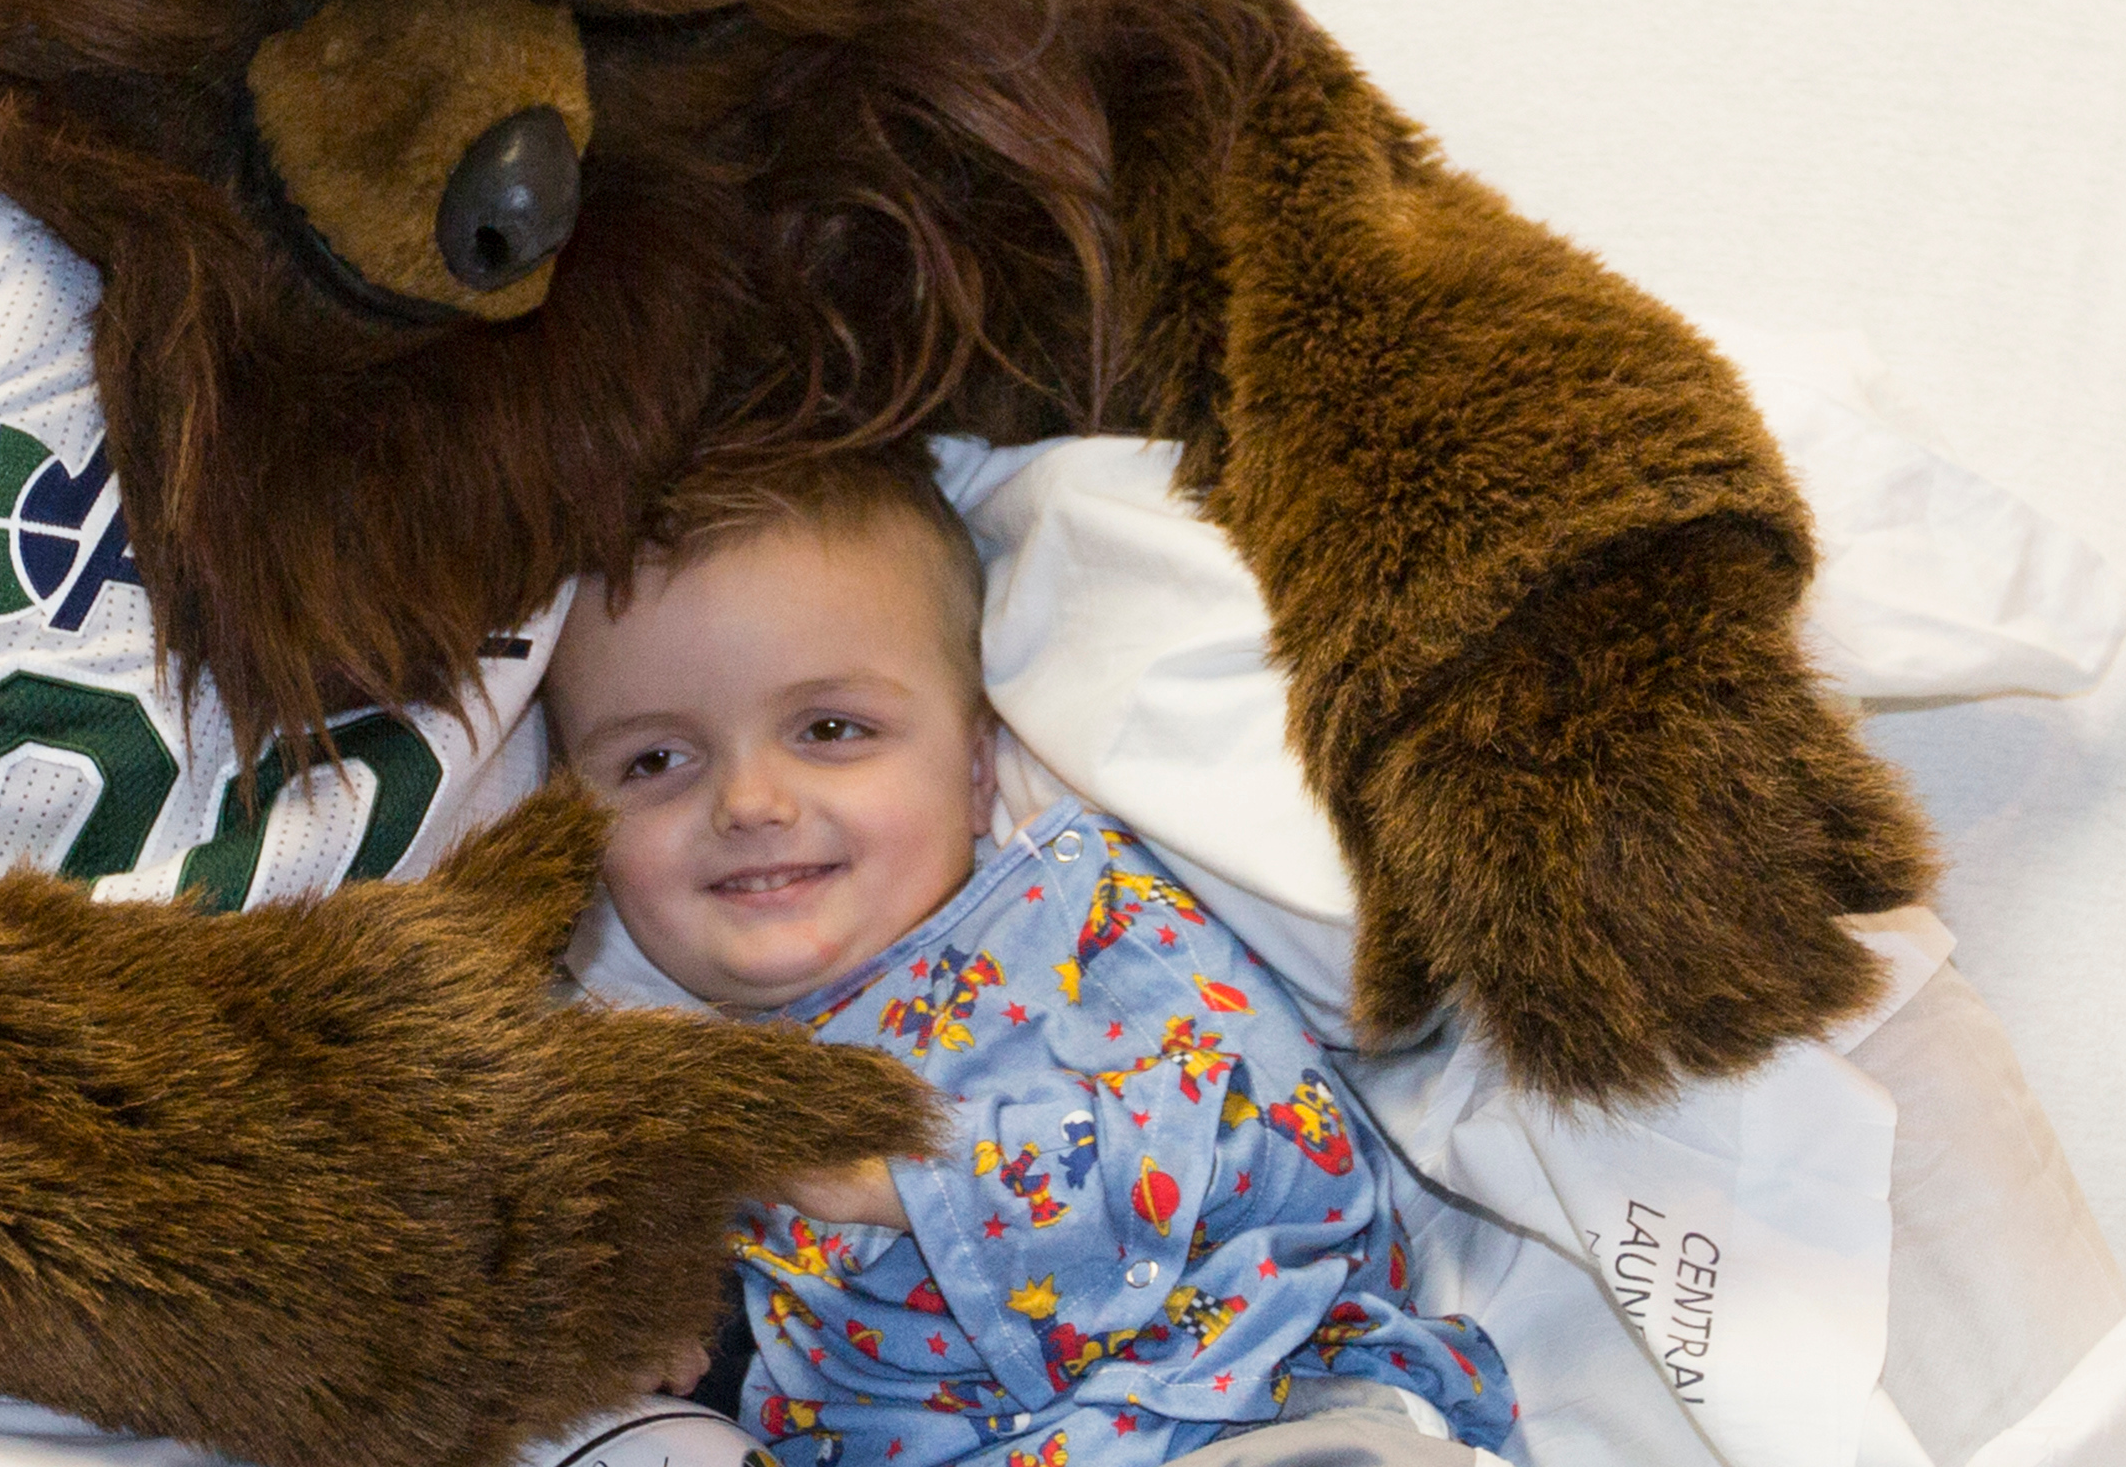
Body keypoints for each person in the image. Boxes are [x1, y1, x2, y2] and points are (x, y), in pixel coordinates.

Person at [544, 451, 1516, 1466]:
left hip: (1233, 1408)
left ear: (973, 772)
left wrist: (906, 1176)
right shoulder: (643, 1077)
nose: (750, 802)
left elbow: (1288, 1150)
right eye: (654, 761)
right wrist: (632, 1316)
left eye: (830, 729)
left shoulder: (1077, 916)